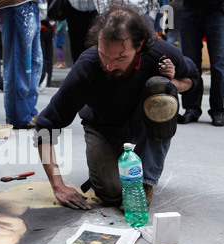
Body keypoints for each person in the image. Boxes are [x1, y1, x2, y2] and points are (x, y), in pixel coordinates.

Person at [34, 3, 199, 210]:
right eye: (104, 55)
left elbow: (192, 80)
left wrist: (170, 84)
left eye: (120, 58)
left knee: (161, 88)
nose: (110, 66)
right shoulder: (87, 66)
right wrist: (57, 185)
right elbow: (45, 127)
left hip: (143, 125)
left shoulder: (160, 53)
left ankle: (146, 180)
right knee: (111, 194)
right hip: (102, 127)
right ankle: (114, 170)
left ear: (139, 46)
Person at [177, 0, 224, 127]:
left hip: (218, 8)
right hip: (190, 7)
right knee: (190, 63)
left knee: (219, 65)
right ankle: (191, 108)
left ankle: (217, 110)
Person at [0, 0, 43, 129]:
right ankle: (19, 116)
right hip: (15, 5)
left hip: (29, 5)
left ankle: (29, 111)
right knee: (20, 63)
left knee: (34, 63)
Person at [38, 1, 56, 91]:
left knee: (42, 54)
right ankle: (47, 80)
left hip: (42, 26)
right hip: (50, 26)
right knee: (48, 55)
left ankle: (43, 77)